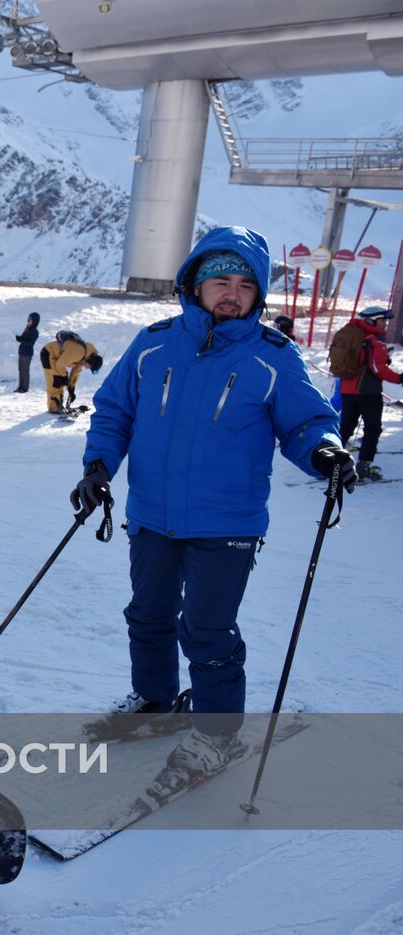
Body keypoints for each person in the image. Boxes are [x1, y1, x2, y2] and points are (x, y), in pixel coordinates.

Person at [72, 226, 353, 794]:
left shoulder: (272, 356)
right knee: (147, 615)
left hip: (227, 522)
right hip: (152, 513)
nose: (231, 293)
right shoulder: (153, 344)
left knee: (207, 630)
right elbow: (114, 412)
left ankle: (217, 735)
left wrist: (323, 451)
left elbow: (305, 421)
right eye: (219, 280)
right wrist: (99, 465)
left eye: (244, 284)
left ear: (257, 295)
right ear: (193, 285)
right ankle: (155, 702)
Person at [332, 306, 401, 481]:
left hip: (347, 390)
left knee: (346, 427)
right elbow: (377, 368)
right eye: (382, 320)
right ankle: (364, 466)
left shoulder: (351, 334)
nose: (385, 324)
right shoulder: (373, 340)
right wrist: (399, 378)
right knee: (372, 429)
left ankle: (331, 463)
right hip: (368, 392)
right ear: (372, 321)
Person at [41, 329, 103, 414]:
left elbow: (75, 372)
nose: (87, 368)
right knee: (55, 381)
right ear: (91, 361)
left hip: (57, 358)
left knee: (60, 381)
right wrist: (63, 376)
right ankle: (54, 408)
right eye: (90, 367)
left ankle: (58, 406)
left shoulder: (84, 356)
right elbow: (60, 364)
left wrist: (71, 388)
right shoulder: (79, 353)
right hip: (49, 353)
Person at [15, 312, 40, 392]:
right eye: (28, 318)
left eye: (30, 319)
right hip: (21, 352)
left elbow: (30, 343)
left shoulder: (35, 331)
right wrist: (20, 338)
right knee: (20, 370)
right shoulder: (27, 328)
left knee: (25, 370)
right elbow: (25, 338)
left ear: (34, 321)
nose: (28, 320)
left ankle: (24, 388)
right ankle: (20, 387)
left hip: (27, 354)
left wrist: (21, 340)